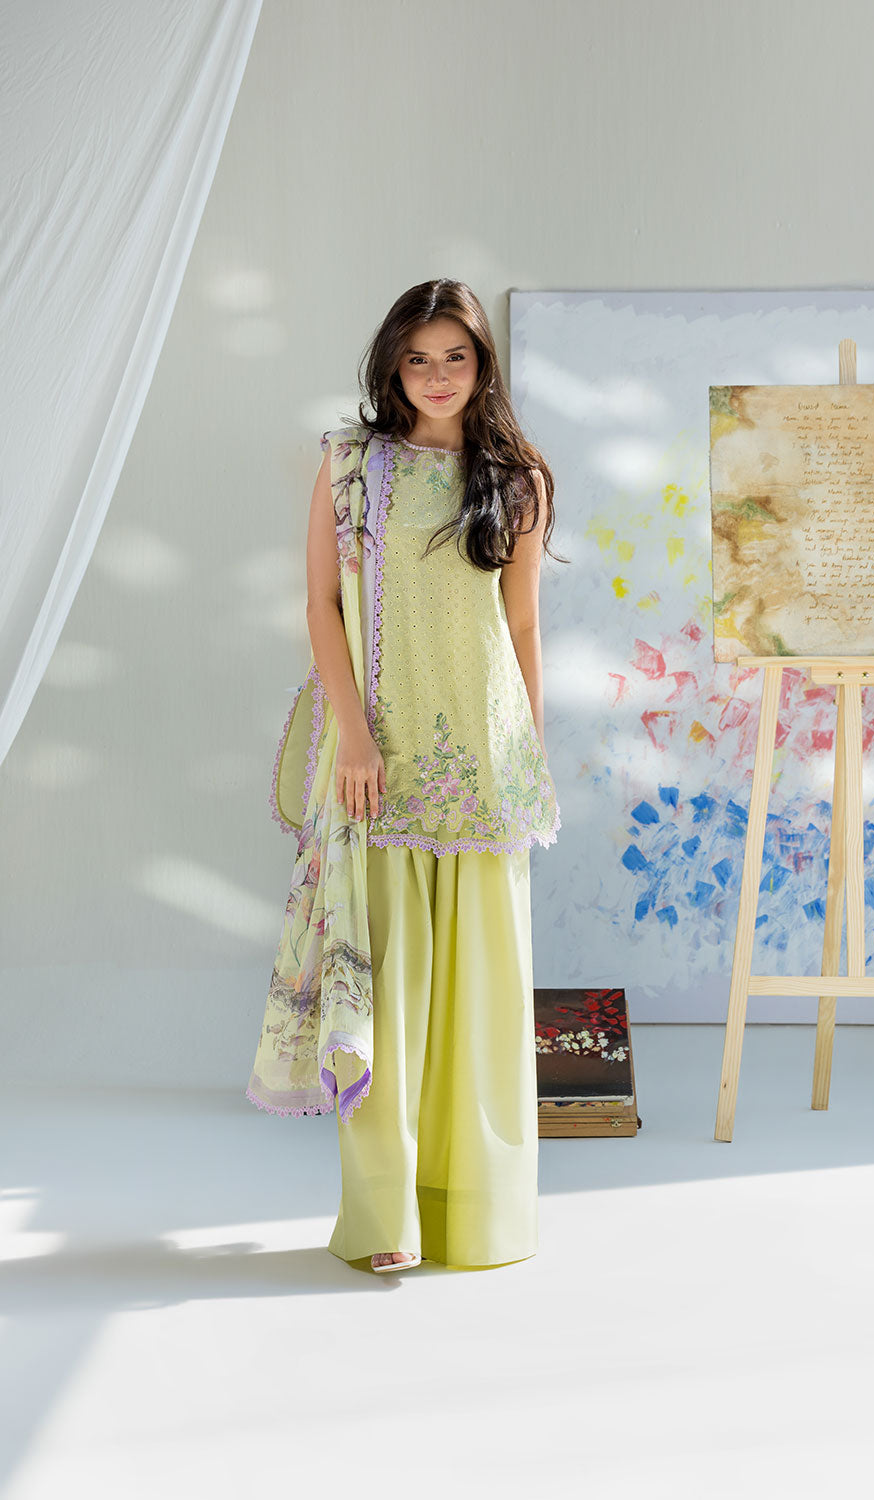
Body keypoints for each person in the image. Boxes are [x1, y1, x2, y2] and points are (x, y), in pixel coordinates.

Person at [247, 279, 563, 1273]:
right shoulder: (351, 465)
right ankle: (387, 1224)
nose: (436, 376)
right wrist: (353, 739)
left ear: (483, 365)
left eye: (455, 357)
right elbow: (320, 607)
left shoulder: (517, 479)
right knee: (385, 1004)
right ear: (392, 365)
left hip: (485, 769)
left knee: (483, 1012)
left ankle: (479, 1222)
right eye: (417, 358)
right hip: (379, 773)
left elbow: (521, 625)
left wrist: (529, 755)